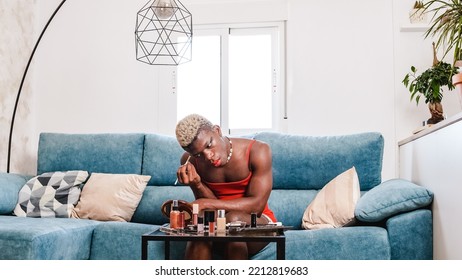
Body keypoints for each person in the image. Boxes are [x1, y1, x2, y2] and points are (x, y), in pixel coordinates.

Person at [175, 114, 276, 260]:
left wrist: (205, 203)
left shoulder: (258, 151)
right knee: (202, 220)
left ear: (217, 131)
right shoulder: (189, 161)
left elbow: (257, 206)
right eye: (198, 154)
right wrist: (197, 184)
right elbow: (211, 210)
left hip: (256, 224)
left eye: (209, 145)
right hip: (217, 224)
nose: (208, 156)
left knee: (233, 220)